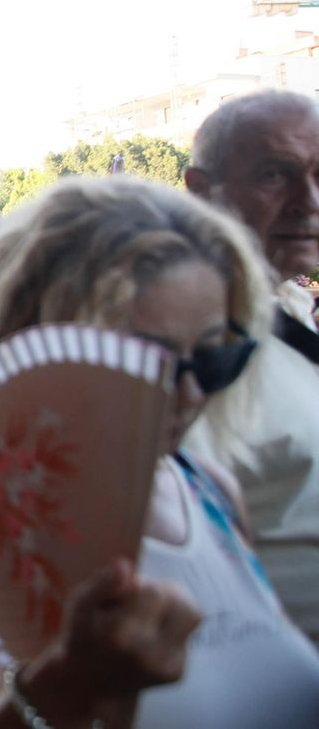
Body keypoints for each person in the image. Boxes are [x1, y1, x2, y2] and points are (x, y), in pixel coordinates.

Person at [0, 177, 319, 728]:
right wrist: (62, 688)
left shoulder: (210, 489)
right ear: (40, 346)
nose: (189, 393)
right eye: (145, 365)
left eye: (215, 356)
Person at [183, 89, 319, 643]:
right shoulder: (191, 347)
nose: (308, 199)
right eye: (274, 174)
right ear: (200, 191)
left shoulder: (282, 308)